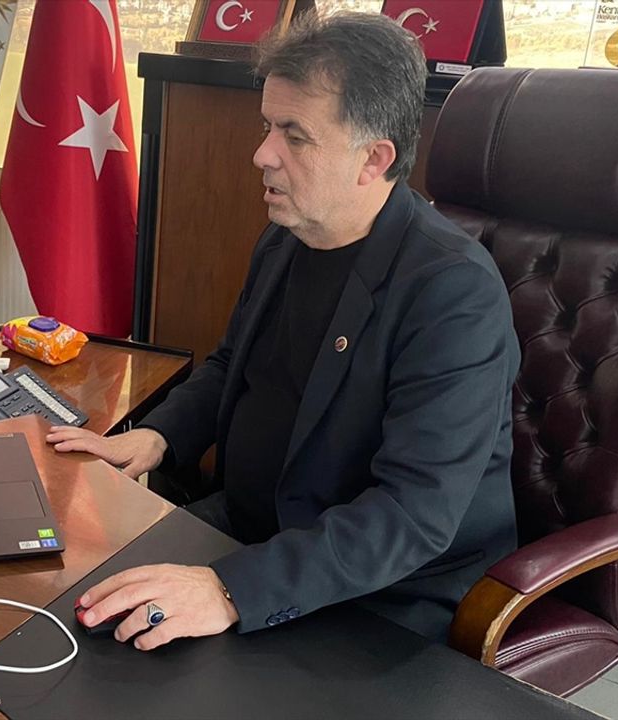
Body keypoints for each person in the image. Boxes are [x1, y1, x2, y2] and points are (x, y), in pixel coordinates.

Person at [48, 12, 520, 650]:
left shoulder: (453, 293)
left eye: (293, 135)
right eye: (267, 126)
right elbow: (231, 368)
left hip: (378, 591)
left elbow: (411, 515)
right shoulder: (288, 238)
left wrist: (231, 590)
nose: (262, 154)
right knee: (74, 604)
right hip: (249, 531)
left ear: (374, 159)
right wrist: (158, 436)